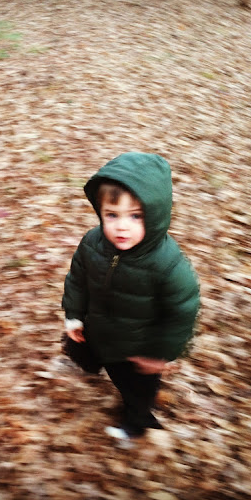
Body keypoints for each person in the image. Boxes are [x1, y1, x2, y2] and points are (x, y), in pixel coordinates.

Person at [62, 152, 200, 438]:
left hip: (140, 348)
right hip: (100, 330)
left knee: (137, 391)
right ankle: (89, 365)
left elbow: (182, 311)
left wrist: (161, 354)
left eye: (136, 216)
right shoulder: (92, 243)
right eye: (112, 214)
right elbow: (77, 279)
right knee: (80, 348)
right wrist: (74, 315)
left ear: (156, 214)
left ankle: (136, 424)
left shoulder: (167, 264)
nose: (121, 226)